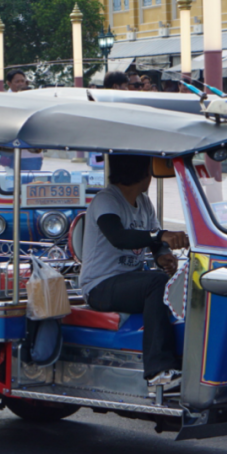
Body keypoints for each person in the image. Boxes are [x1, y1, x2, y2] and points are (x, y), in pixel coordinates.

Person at [78, 154, 189, 387]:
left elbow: (156, 241)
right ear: (144, 172)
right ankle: (158, 372)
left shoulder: (144, 202)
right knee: (157, 283)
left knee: (178, 282)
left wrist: (163, 257)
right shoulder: (106, 200)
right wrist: (160, 236)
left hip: (129, 281)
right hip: (100, 285)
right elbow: (119, 237)